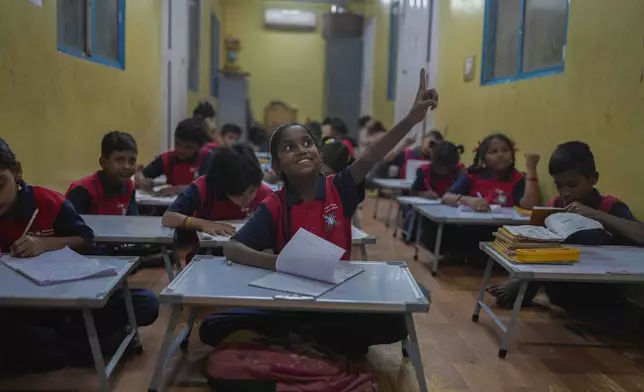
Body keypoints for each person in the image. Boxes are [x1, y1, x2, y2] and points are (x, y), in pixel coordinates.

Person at [207, 69, 437, 356]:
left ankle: (303, 341)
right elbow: (232, 248)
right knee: (212, 326)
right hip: (291, 301)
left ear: (319, 155)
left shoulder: (339, 187)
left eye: (307, 143)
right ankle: (317, 342)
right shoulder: (274, 205)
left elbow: (371, 156)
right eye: (289, 148)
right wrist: (277, 262)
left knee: (407, 310)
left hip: (339, 298)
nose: (302, 150)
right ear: (276, 167)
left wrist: (411, 120)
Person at [0, 139, 158, 373]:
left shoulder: (48, 202)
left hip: (68, 299)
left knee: (147, 302)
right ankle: (82, 345)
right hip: (19, 307)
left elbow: (85, 239)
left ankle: (60, 346)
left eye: (0, 184)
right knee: (25, 331)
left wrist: (44, 244)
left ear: (17, 173)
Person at [487, 141, 644, 310]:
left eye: (573, 184)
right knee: (542, 245)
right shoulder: (558, 204)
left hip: (600, 289)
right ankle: (524, 285)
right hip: (561, 286)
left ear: (593, 179)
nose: (565, 192)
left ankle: (524, 288)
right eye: (559, 186)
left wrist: (596, 215)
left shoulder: (609, 206)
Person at [162, 143, 272, 258]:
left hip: (248, 256)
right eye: (238, 196)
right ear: (222, 187)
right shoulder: (204, 187)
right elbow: (168, 217)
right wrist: (203, 224)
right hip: (207, 255)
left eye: (252, 191)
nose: (247, 200)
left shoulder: (265, 192)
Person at [442, 133, 540, 210]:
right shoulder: (473, 176)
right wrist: (468, 201)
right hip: (472, 228)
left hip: (502, 230)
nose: (500, 155)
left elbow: (529, 205)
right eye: (493, 152)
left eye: (505, 150)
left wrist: (531, 168)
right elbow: (446, 198)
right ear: (483, 159)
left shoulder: (516, 178)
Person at [402, 141, 466, 244]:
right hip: (426, 208)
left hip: (451, 210)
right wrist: (424, 194)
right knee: (414, 222)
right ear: (432, 160)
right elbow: (413, 191)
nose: (443, 170)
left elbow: (466, 191)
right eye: (440, 166)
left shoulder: (459, 172)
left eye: (447, 167)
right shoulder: (424, 170)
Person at [66, 131, 138, 215]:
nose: (127, 166)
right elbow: (68, 225)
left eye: (132, 161)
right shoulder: (82, 190)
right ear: (103, 162)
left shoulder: (129, 187)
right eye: (119, 160)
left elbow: (133, 221)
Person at [135, 117, 210, 196]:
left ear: (200, 147)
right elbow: (142, 174)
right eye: (177, 144)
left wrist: (177, 189)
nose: (181, 150)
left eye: (188, 147)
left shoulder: (207, 158)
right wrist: (141, 179)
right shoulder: (168, 158)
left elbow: (207, 186)